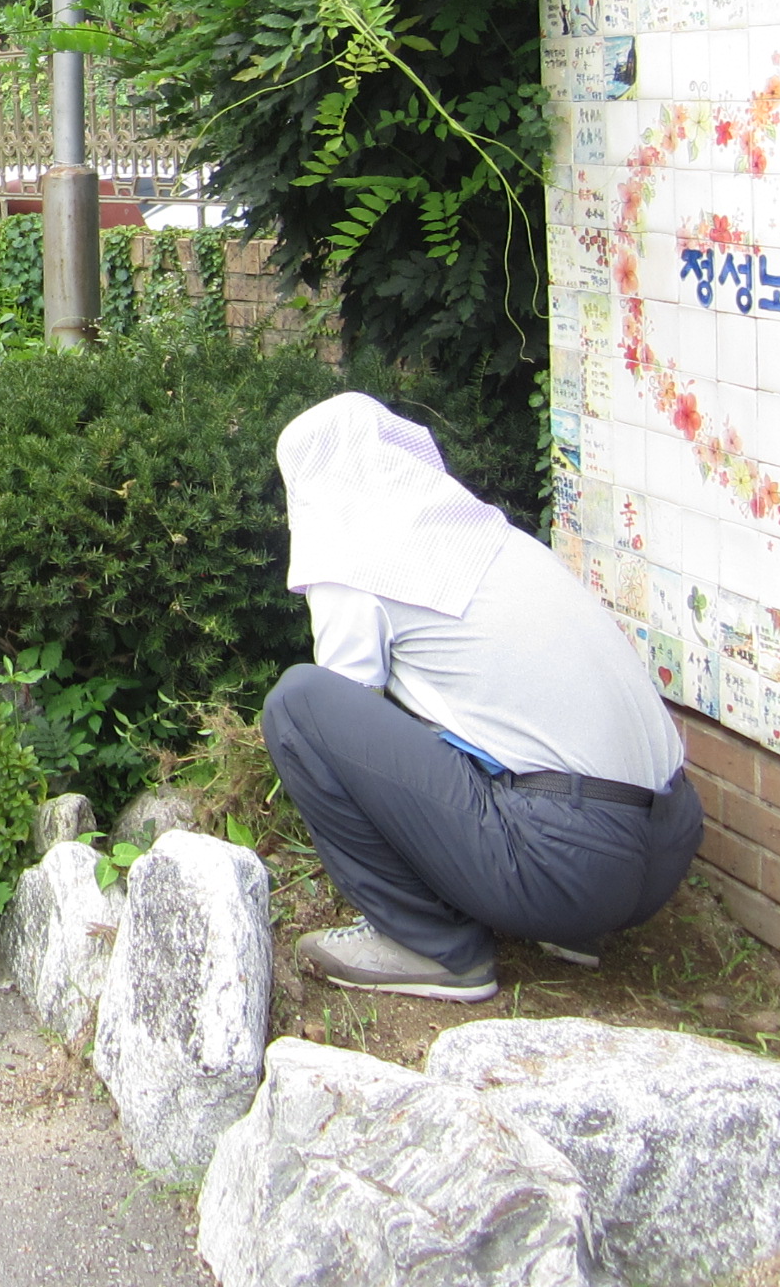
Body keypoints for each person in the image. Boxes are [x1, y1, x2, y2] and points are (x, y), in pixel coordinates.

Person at [261, 393, 705, 1002]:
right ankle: (573, 931)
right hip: (669, 842)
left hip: (573, 863)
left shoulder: (353, 569)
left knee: (299, 706)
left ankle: (430, 945)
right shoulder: (489, 540)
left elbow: (348, 725)